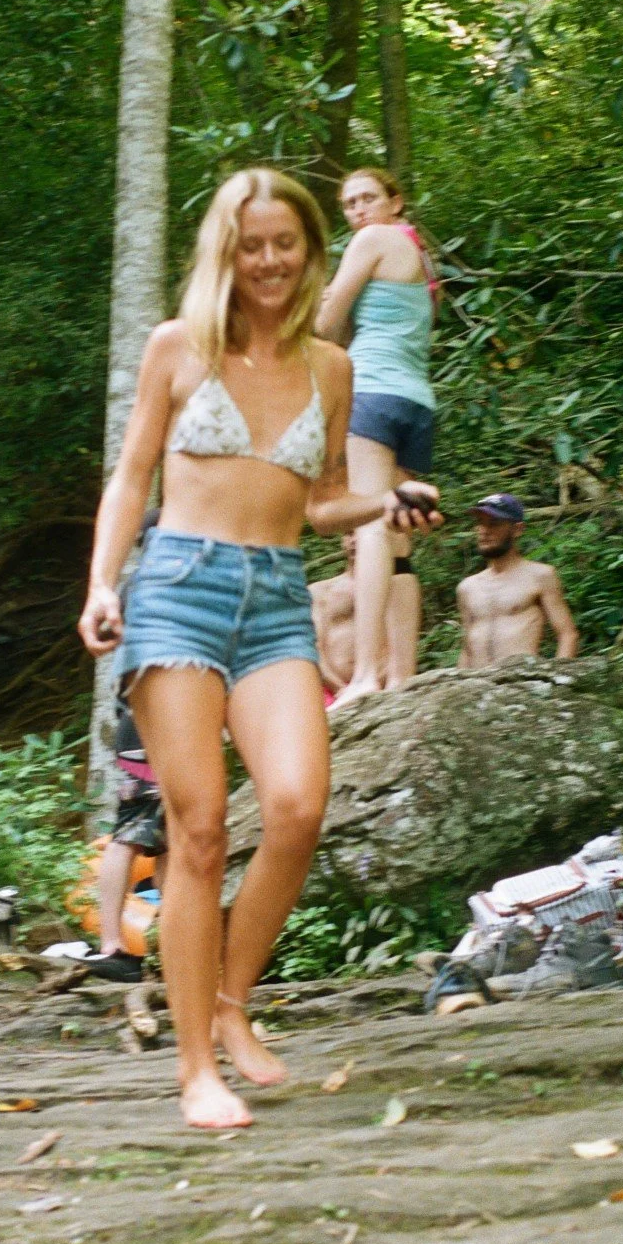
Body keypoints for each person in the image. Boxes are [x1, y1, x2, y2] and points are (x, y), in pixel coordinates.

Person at [78, 166, 439, 1130]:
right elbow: (131, 477)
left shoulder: (331, 366)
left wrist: (388, 499)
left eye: (286, 243)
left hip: (277, 597)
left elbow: (320, 501)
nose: (270, 260)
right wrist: (102, 581)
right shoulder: (178, 348)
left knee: (295, 807)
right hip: (177, 592)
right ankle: (197, 1065)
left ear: (311, 251)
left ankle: (233, 1007)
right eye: (252, 244)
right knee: (196, 830)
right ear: (225, 253)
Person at [315, 166, 438, 704]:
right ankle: (402, 675)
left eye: (368, 198)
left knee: (368, 523)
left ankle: (366, 675)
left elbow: (326, 325)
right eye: (349, 204)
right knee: (398, 536)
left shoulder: (373, 240)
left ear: (395, 201)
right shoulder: (422, 259)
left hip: (370, 390)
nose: (358, 210)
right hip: (416, 400)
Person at [80, 697, 169, 983]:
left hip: (149, 720)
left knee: (172, 839)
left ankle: (168, 951)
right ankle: (112, 946)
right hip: (155, 719)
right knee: (130, 833)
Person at [457, 494, 579, 668]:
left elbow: (567, 634)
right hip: (476, 686)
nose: (484, 530)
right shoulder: (467, 587)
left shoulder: (540, 576)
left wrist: (557, 682)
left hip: (519, 684)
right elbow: (467, 647)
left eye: (494, 523)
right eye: (480, 523)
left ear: (518, 529)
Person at [310, 533, 421, 699]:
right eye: (348, 534)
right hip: (330, 691)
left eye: (360, 533)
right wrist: (340, 690)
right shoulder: (320, 591)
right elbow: (312, 647)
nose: (355, 540)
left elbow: (403, 641)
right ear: (342, 541)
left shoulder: (400, 589)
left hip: (386, 689)